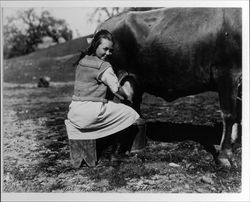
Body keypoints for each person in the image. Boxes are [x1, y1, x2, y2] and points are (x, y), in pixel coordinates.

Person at [65, 29, 143, 168]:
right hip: (90, 113)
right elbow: (117, 90)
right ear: (96, 46)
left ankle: (102, 144)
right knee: (131, 114)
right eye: (105, 49)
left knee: (111, 108)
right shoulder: (104, 67)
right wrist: (128, 95)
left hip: (74, 111)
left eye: (111, 50)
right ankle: (117, 154)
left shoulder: (83, 61)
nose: (108, 53)